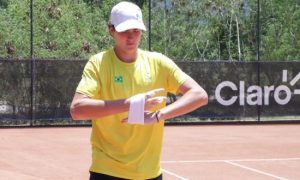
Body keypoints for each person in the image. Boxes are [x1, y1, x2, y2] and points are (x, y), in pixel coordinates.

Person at [70, 1, 208, 180]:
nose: (131, 37)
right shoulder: (98, 63)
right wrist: (129, 103)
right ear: (111, 30)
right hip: (107, 171)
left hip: (150, 173)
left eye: (136, 31)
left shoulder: (159, 63)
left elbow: (199, 95)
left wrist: (159, 115)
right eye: (124, 31)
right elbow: (77, 109)